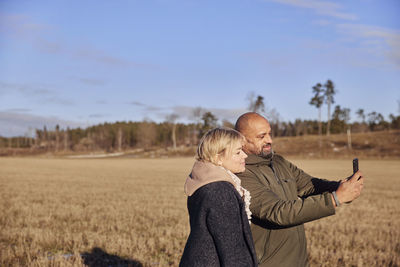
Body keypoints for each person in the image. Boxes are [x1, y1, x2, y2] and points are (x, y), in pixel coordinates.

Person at [235, 112, 364, 267]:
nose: (269, 140)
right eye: (261, 136)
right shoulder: (241, 174)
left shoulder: (278, 162)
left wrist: (341, 186)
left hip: (299, 261)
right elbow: (279, 212)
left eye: (269, 134)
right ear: (241, 140)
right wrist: (335, 198)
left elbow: (309, 185)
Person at [179, 127, 258, 267]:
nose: (245, 155)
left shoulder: (204, 182)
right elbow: (233, 251)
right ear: (218, 158)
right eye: (238, 152)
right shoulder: (220, 191)